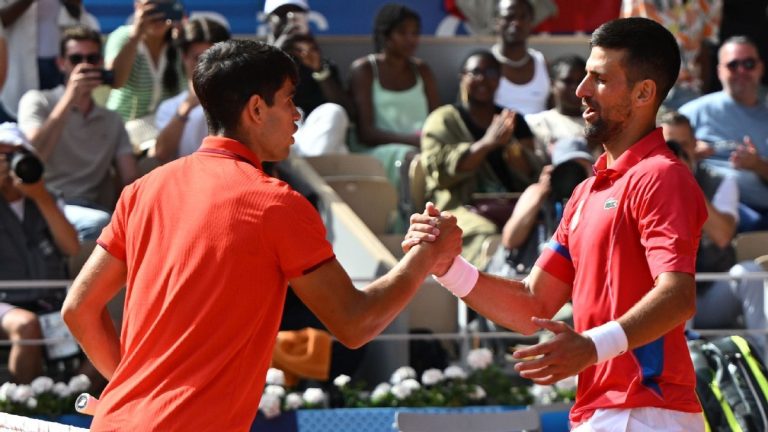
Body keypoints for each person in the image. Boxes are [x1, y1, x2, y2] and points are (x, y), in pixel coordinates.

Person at [61, 40, 462, 430]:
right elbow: (355, 324)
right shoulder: (276, 204)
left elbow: (79, 309)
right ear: (256, 108)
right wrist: (424, 256)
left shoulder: (142, 190)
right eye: (288, 100)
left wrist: (134, 391)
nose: (297, 115)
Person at [407, 17, 708, 430]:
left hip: (646, 412)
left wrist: (591, 346)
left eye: (599, 79)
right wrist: (446, 266)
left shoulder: (662, 175)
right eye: (585, 75)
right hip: (604, 411)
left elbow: (678, 297)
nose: (582, 90)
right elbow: (533, 303)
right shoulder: (587, 193)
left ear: (643, 93)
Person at [17, 26, 138, 241]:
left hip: (94, 209)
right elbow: (32, 155)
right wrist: (69, 99)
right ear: (61, 63)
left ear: (100, 63)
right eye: (75, 59)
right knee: (99, 224)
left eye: (91, 58)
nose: (84, 66)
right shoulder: (38, 101)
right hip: (46, 204)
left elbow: (129, 178)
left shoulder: (112, 120)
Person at [660, 111, 767, 355]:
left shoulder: (719, 181)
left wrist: (687, 183)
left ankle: (765, 360)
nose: (676, 152)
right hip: (666, 300)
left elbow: (722, 235)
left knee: (750, 272)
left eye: (683, 145)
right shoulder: (642, 182)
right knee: (674, 281)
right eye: (668, 145)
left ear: (695, 146)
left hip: (711, 295)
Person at [420, 50, 540, 266]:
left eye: (491, 72)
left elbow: (532, 173)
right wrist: (487, 143)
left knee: (545, 227)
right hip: (460, 207)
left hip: (514, 204)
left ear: (499, 79)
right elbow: (439, 173)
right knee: (487, 235)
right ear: (462, 77)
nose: (483, 78)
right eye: (475, 72)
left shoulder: (513, 120)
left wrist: (514, 153)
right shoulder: (444, 119)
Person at [0, 122, 80, 383]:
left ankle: (67, 398)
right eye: (3, 155)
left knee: (110, 329)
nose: (10, 164)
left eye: (16, 155)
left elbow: (71, 247)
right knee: (26, 326)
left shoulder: (47, 197)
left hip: (50, 300)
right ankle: (19, 408)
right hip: (6, 303)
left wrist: (40, 196)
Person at [679, 36, 768, 232]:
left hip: (760, 209)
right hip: (714, 206)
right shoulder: (693, 112)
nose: (742, 71)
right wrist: (689, 152)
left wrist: (757, 164)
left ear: (760, 68)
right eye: (733, 65)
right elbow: (664, 155)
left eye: (749, 64)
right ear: (719, 71)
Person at [348, 3, 440, 190]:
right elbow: (366, 133)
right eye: (402, 32)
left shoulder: (423, 70)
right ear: (385, 35)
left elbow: (438, 120)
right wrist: (414, 141)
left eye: (415, 33)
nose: (411, 39)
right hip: (378, 151)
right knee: (414, 160)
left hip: (424, 149)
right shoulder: (364, 70)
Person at [487, 137, 593, 277]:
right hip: (522, 274)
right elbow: (510, 239)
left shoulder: (594, 200)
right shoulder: (537, 193)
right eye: (568, 169)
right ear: (554, 170)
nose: (574, 177)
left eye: (581, 169)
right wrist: (541, 192)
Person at [0, 0, 99, 122]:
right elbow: (2, 19)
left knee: (63, 124)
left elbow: (75, 9)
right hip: (18, 72)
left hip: (63, 66)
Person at [153, 18, 230, 164]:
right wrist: (186, 108)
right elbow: (160, 154)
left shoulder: (242, 100)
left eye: (214, 58)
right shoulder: (169, 108)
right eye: (198, 58)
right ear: (184, 58)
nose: (207, 66)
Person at [105, 0, 184, 123]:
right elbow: (115, 81)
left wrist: (186, 39)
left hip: (163, 126)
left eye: (165, 7)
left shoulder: (180, 43)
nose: (158, 16)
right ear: (138, 7)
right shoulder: (123, 37)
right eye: (152, 7)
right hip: (122, 126)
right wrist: (135, 37)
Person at [524, 55, 591, 162]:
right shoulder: (537, 123)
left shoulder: (597, 121)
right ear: (552, 83)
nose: (575, 87)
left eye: (580, 81)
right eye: (567, 81)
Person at [492, 0, 550, 116]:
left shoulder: (543, 64)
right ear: (496, 22)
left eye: (523, 17)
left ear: (531, 22)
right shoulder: (484, 66)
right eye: (509, 17)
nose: (516, 23)